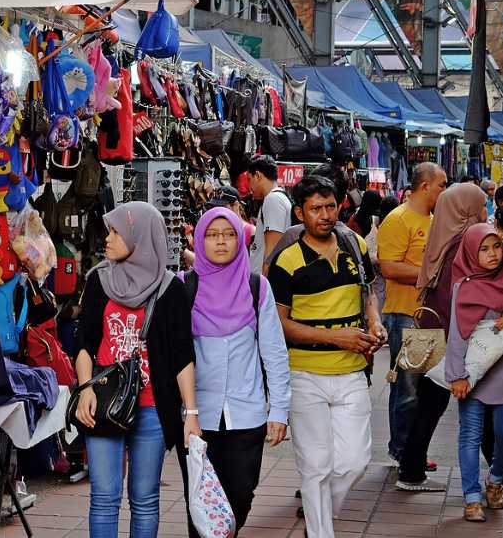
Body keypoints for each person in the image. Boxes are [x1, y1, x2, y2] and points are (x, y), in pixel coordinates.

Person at [267, 174, 386, 538]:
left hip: (352, 373)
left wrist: (374, 322)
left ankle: (319, 513)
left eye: (330, 206)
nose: (324, 214)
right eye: (315, 208)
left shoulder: (354, 246)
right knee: (315, 466)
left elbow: (368, 293)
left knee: (355, 462)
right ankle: (320, 531)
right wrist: (336, 338)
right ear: (300, 212)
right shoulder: (286, 261)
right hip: (304, 374)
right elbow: (279, 325)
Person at [75, 201, 200, 538]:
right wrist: (85, 389)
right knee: (103, 497)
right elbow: (84, 344)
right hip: (103, 402)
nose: (108, 238)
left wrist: (190, 414)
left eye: (117, 231)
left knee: (144, 499)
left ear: (140, 236)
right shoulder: (100, 280)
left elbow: (182, 357)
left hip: (152, 409)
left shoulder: (170, 289)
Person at [187, 207, 292, 534]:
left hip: (246, 414)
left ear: (241, 239)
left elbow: (274, 352)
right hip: (199, 415)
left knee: (241, 494)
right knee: (201, 499)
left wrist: (279, 410)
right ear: (200, 240)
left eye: (230, 234)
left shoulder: (257, 287)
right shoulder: (184, 287)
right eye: (213, 235)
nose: (221, 242)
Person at [395, 183, 488, 491]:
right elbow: (461, 295)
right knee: (448, 403)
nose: (486, 212)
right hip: (452, 336)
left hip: (433, 332)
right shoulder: (465, 243)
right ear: (466, 210)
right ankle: (411, 472)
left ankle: (411, 469)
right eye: (481, 205)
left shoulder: (444, 235)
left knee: (429, 405)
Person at [446, 224, 503, 522]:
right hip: (472, 375)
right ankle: (472, 497)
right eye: (483, 249)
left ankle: (495, 480)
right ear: (472, 252)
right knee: (470, 436)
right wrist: (457, 375)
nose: (492, 254)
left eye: (496, 246)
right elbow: (457, 334)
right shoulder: (464, 287)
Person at [376, 162, 447, 465]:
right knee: (407, 389)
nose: (445, 190)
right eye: (442, 185)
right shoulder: (399, 219)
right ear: (425, 186)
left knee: (425, 388)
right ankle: (403, 450)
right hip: (406, 315)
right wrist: (430, 275)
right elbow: (389, 267)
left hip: (428, 316)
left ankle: (413, 451)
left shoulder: (436, 220)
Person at [247, 155, 293, 274]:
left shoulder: (273, 199)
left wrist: (264, 285)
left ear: (257, 175)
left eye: (249, 179)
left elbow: (272, 250)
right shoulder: (279, 197)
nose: (249, 187)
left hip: (265, 283)